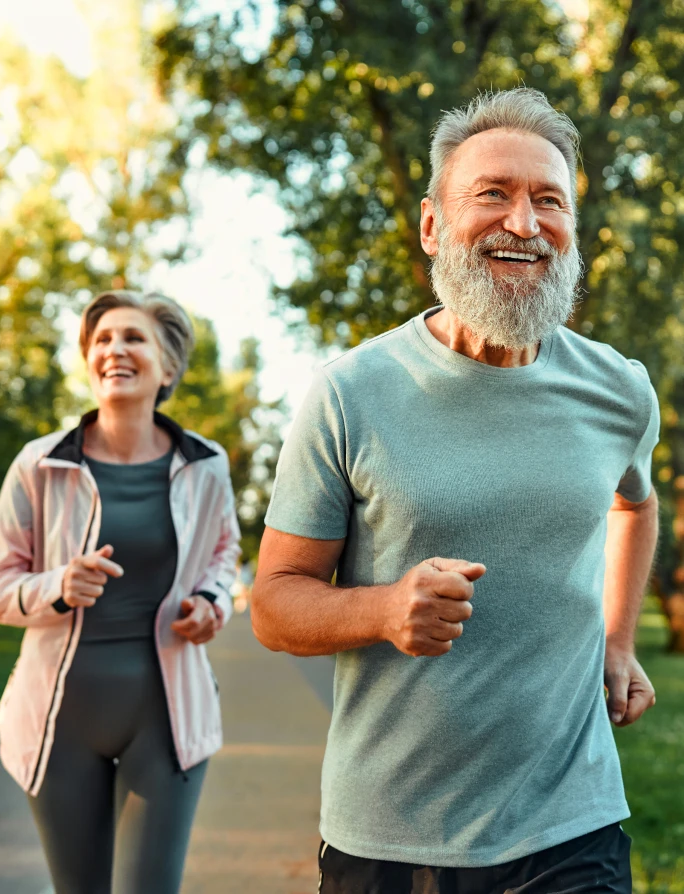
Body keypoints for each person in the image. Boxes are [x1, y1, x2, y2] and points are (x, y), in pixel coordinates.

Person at [253, 88, 661, 894]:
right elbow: (272, 603)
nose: (524, 222)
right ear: (433, 225)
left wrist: (618, 641)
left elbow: (635, 503)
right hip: (394, 837)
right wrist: (381, 609)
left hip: (572, 822)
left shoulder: (620, 391)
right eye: (494, 194)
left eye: (551, 200)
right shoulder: (350, 393)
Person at [0, 290, 241, 894]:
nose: (114, 349)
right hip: (58, 719)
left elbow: (226, 555)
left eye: (133, 337)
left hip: (166, 716)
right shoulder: (38, 465)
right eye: (102, 340)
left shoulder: (206, 466)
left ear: (168, 367)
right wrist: (58, 586)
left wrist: (212, 603)